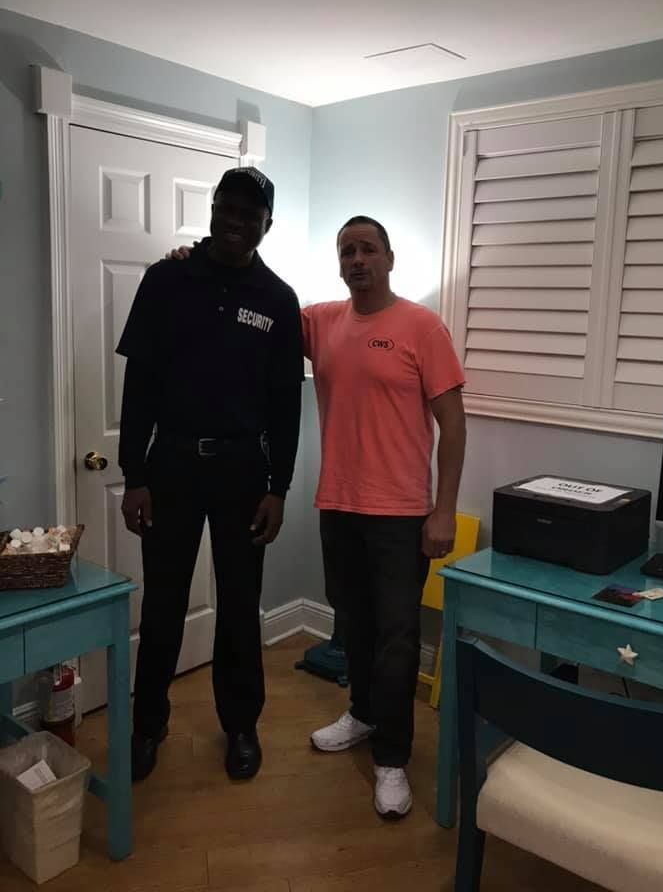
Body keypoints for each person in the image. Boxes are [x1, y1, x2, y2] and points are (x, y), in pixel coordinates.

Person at [169, 214, 466, 818]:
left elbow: (454, 426)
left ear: (389, 257)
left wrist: (444, 512)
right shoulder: (322, 321)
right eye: (347, 250)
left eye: (368, 249)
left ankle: (392, 759)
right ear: (339, 262)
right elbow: (260, 306)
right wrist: (197, 261)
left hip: (402, 512)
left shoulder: (422, 327)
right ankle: (361, 714)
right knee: (353, 625)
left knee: (397, 639)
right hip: (338, 503)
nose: (357, 259)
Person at [118, 167, 304, 784]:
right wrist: (133, 474)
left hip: (242, 473)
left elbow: (285, 406)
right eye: (227, 208)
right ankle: (148, 725)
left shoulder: (278, 300)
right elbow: (139, 384)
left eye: (250, 214)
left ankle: (241, 725)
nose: (235, 221)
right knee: (164, 602)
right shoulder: (166, 279)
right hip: (170, 466)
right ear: (213, 209)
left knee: (240, 604)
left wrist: (279, 487)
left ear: (266, 225)